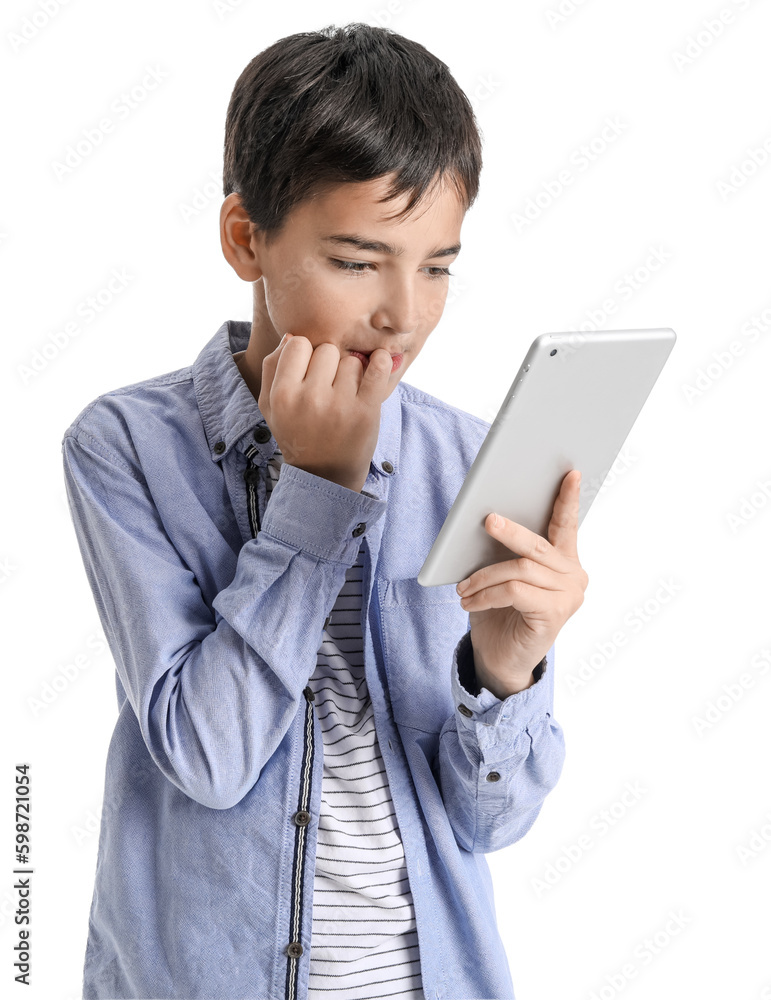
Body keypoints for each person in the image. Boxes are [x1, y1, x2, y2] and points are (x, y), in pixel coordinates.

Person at [61, 22, 588, 1000]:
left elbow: (490, 825)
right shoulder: (126, 446)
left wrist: (505, 669)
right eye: (359, 260)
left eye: (435, 265)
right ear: (246, 238)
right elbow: (207, 757)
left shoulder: (463, 458)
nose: (405, 313)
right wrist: (317, 494)